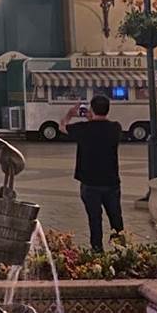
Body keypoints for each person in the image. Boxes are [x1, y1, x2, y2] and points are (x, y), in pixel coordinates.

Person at [63, 95, 125, 252]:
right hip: (111, 182)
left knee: (95, 219)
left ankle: (97, 249)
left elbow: (62, 127)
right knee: (116, 218)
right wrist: (92, 116)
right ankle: (121, 249)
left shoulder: (83, 129)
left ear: (91, 109)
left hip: (90, 183)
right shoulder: (115, 128)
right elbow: (100, 125)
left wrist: (70, 114)